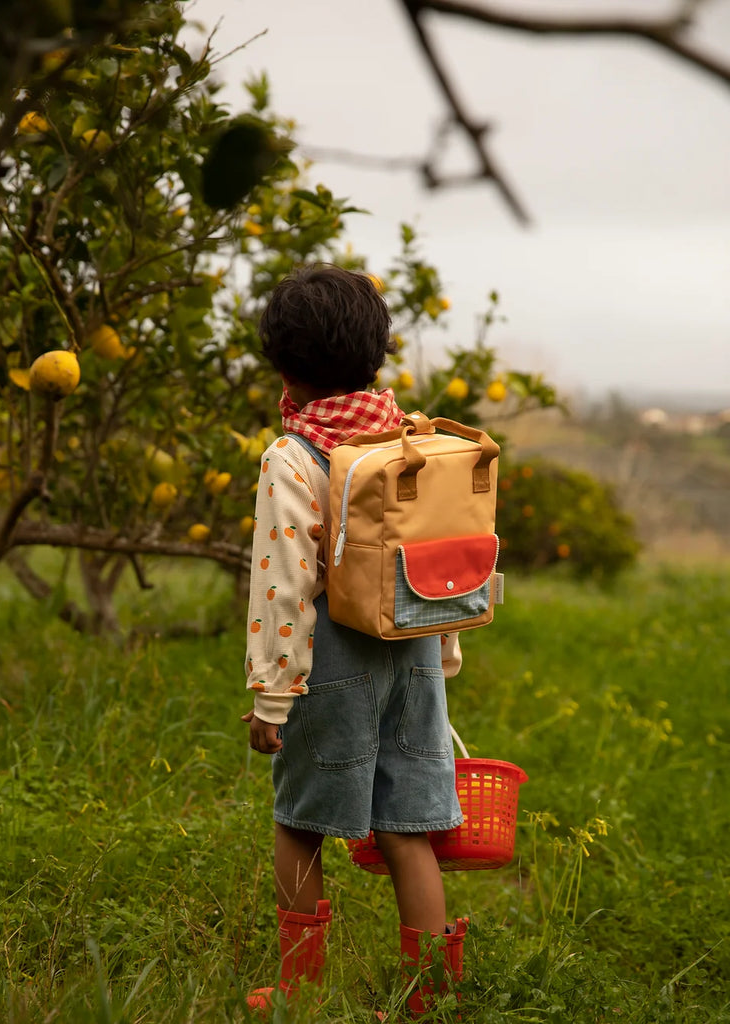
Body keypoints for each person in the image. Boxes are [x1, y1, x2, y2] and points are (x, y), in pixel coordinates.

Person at [241, 263, 467, 1015]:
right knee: (408, 830)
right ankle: (428, 997)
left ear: (283, 365)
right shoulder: (412, 442)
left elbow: (282, 586)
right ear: (377, 355)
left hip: (330, 672)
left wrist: (273, 698)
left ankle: (300, 990)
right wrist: (445, 654)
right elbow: (441, 561)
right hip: (415, 661)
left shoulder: (295, 458)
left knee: (300, 821)